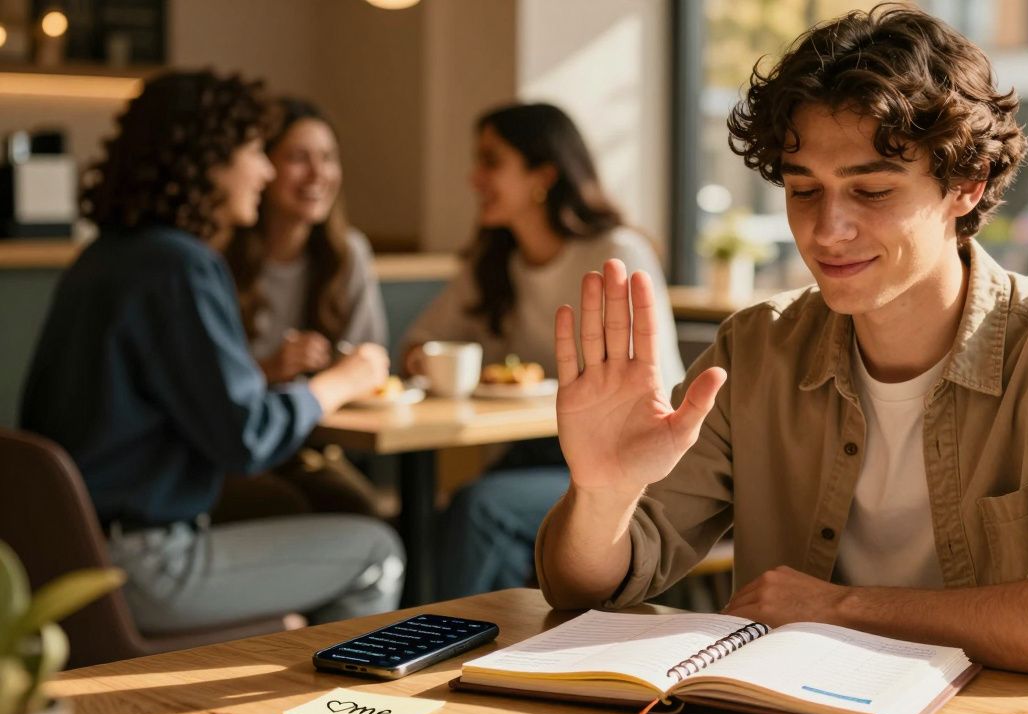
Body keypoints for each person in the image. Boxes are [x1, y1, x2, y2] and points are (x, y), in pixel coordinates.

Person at [536, 5, 1028, 688]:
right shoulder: (757, 350)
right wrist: (602, 495)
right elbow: (580, 589)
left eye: (871, 190)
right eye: (803, 190)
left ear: (965, 185)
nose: (827, 230)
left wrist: (835, 609)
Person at [20, 71, 404, 633]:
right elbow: (246, 438)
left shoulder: (105, 257)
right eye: (255, 150)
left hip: (72, 557)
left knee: (302, 512)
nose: (267, 170)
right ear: (207, 159)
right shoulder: (181, 265)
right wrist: (341, 382)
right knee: (376, 550)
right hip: (144, 565)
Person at [401, 102, 684, 599]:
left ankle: (437, 640)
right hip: (535, 453)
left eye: (491, 161)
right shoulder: (495, 261)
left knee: (480, 509)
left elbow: (659, 386)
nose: (474, 178)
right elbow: (417, 344)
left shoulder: (616, 253)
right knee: (448, 518)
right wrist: (434, 361)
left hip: (629, 459)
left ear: (543, 175)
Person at [218, 97, 388, 521]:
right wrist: (268, 368)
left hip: (312, 446)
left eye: (328, 158)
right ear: (264, 168)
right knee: (292, 508)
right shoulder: (217, 259)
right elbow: (205, 388)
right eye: (298, 158)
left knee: (361, 511)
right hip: (231, 450)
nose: (318, 174)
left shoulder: (347, 254)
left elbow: (369, 366)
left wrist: (351, 369)